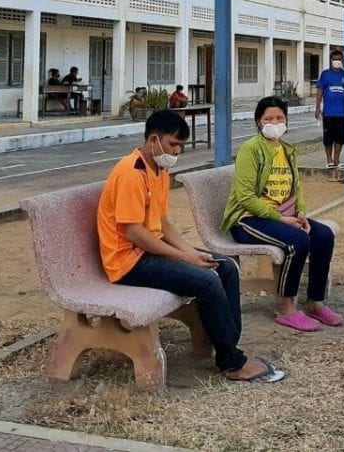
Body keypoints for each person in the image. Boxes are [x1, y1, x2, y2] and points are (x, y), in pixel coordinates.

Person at [98, 110, 283, 382]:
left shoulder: (159, 170)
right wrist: (184, 258)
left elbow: (162, 223)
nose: (177, 152)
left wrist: (191, 253)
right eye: (173, 145)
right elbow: (135, 233)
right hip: (128, 262)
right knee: (207, 281)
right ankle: (231, 362)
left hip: (148, 252)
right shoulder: (131, 173)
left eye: (180, 146)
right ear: (153, 140)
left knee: (226, 266)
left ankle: (228, 347)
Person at [223, 97, 343, 332]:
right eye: (268, 118)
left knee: (324, 235)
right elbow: (246, 197)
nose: (274, 122)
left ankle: (314, 302)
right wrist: (282, 220)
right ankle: (285, 306)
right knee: (297, 241)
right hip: (248, 220)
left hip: (283, 215)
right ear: (259, 122)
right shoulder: (251, 149)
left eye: (279, 118)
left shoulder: (287, 150)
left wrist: (301, 213)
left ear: (286, 119)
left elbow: (296, 186)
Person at [315, 50, 344, 170]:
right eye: (335, 59)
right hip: (328, 113)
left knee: (339, 138)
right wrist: (318, 107)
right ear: (331, 60)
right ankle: (328, 160)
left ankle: (336, 160)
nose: (337, 62)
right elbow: (320, 90)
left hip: (342, 113)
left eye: (339, 59)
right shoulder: (325, 74)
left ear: (343, 61)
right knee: (328, 138)